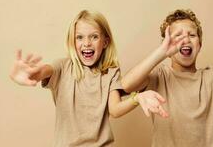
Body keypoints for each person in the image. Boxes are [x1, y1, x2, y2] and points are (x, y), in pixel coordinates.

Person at [9, 10, 168, 147]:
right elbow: (43, 71)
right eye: (80, 37)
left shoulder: (110, 72)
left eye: (94, 37)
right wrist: (30, 73)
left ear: (105, 42)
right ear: (73, 41)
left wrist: (137, 97)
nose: (86, 43)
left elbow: (115, 109)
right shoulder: (63, 67)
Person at [121, 9, 213, 147]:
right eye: (178, 35)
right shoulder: (160, 76)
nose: (185, 39)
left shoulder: (212, 78)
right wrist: (161, 52)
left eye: (192, 35)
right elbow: (126, 85)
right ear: (167, 46)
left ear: (200, 44)